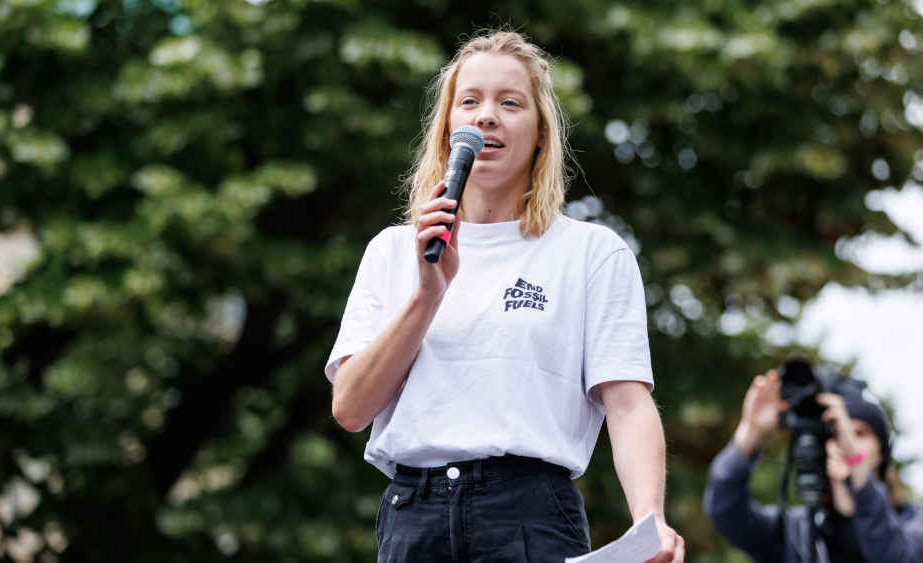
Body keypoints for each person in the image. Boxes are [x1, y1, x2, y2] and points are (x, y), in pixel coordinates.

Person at [325, 30, 684, 563]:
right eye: (469, 101)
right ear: (448, 127)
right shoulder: (393, 250)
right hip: (412, 516)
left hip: (531, 516)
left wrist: (648, 521)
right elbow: (351, 408)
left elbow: (628, 405)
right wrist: (428, 294)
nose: (486, 116)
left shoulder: (591, 252)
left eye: (509, 103)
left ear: (540, 132)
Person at [704, 369, 923, 562]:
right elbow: (726, 511)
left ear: (882, 452)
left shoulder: (913, 524)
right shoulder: (796, 530)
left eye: (859, 433)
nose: (846, 442)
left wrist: (858, 467)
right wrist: (751, 430)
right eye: (836, 432)